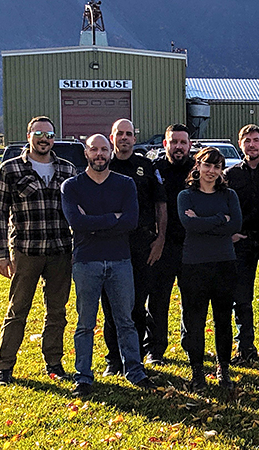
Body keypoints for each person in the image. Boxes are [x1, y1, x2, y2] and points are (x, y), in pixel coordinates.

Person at [61, 134, 155, 397]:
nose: (99, 154)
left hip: (120, 260)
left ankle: (135, 371)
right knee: (85, 324)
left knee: (126, 320)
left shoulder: (125, 184)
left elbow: (131, 221)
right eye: (94, 149)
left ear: (110, 152)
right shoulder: (72, 186)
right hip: (86, 262)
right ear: (86, 153)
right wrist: (112, 218)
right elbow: (76, 223)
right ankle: (83, 377)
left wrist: (93, 221)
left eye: (104, 149)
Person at [0, 116, 76, 387]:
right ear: (29, 135)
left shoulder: (67, 168)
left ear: (54, 138)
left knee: (57, 312)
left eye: (49, 134)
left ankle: (54, 363)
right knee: (18, 310)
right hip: (27, 251)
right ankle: (3, 368)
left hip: (61, 250)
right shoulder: (10, 169)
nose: (44, 139)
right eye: (39, 133)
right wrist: (1, 254)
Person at [101, 119, 168, 377]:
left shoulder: (146, 166)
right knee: (111, 307)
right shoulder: (103, 165)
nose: (125, 138)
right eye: (120, 133)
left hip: (142, 245)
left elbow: (161, 204)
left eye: (130, 134)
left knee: (138, 306)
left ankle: (135, 358)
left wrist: (160, 240)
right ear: (112, 136)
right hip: (111, 246)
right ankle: (114, 360)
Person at [177, 148, 243, 390]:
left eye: (217, 167)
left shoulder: (229, 195)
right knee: (194, 320)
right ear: (198, 166)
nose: (212, 171)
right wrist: (219, 219)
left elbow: (235, 224)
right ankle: (197, 373)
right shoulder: (186, 195)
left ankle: (223, 369)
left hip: (224, 263)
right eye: (207, 165)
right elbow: (188, 224)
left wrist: (205, 222)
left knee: (223, 320)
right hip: (194, 264)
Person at [224, 124, 259, 366]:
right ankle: (245, 346)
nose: (251, 144)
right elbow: (223, 206)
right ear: (240, 144)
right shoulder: (230, 175)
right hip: (242, 241)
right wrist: (230, 234)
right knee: (242, 298)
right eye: (246, 140)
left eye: (256, 140)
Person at [145, 124, 194, 365]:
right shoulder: (155, 169)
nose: (178, 147)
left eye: (183, 142)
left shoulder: (199, 169)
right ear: (165, 144)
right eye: (173, 142)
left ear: (190, 145)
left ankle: (191, 345)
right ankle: (155, 348)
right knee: (158, 299)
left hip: (193, 246)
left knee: (192, 300)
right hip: (162, 245)